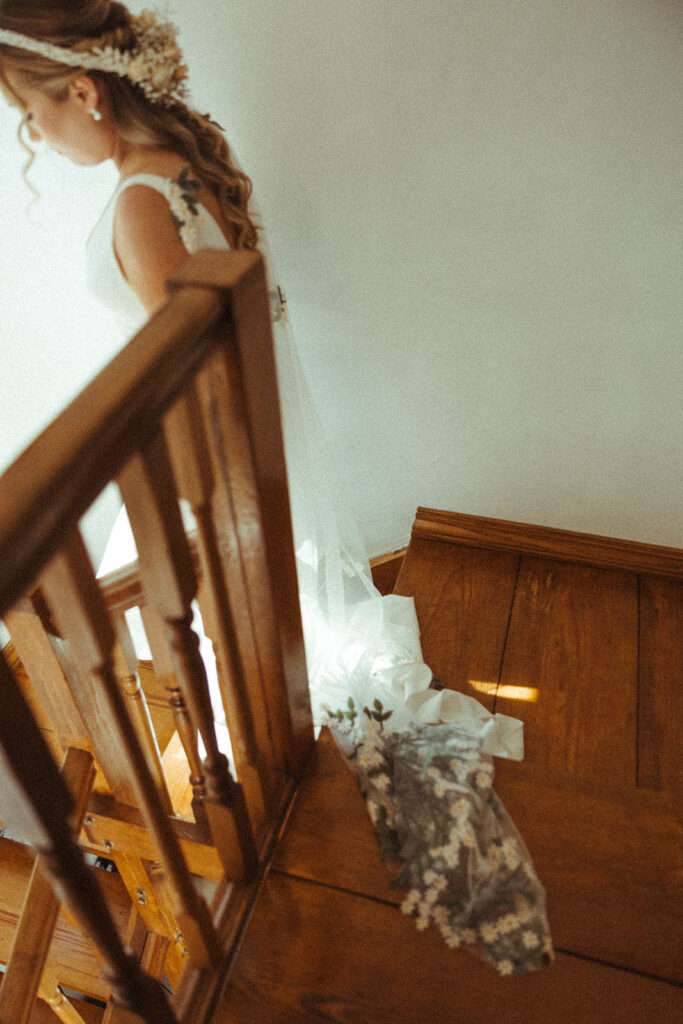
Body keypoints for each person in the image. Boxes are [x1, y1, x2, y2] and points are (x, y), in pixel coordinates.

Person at [0, 0, 552, 974]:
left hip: (210, 459)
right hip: (251, 441)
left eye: (30, 113)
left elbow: (184, 368)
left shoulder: (136, 200)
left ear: (84, 90)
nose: (31, 134)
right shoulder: (179, 169)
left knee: (211, 626)